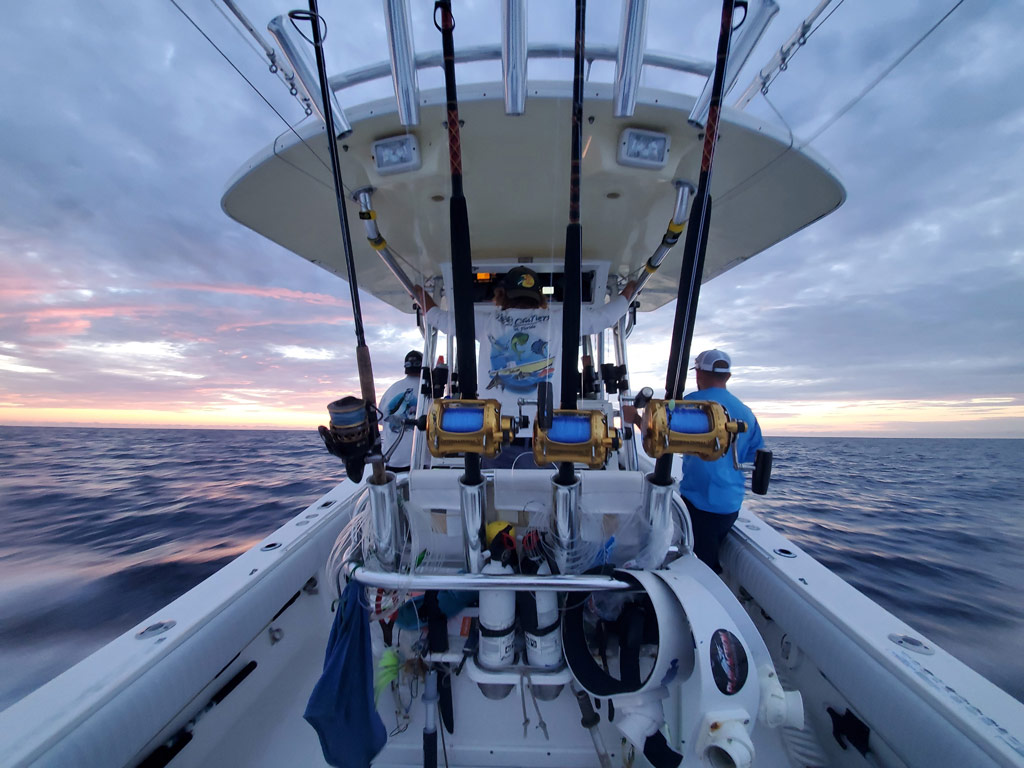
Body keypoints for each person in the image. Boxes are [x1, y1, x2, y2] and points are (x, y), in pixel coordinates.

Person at [415, 267, 635, 424]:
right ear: (539, 296)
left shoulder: (485, 322)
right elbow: (604, 318)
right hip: (546, 432)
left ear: (501, 295)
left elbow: (439, 319)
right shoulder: (559, 319)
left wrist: (419, 293)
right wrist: (630, 290)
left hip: (496, 432)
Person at [679, 349, 764, 573]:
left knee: (698, 566)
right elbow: (753, 456)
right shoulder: (746, 413)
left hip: (697, 504)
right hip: (730, 506)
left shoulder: (689, 404)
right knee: (707, 555)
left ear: (699, 374)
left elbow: (659, 440)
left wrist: (637, 418)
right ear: (727, 376)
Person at [380, 350, 422, 472]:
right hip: (420, 462)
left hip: (391, 460)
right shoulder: (429, 391)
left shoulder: (391, 389)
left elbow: (381, 420)